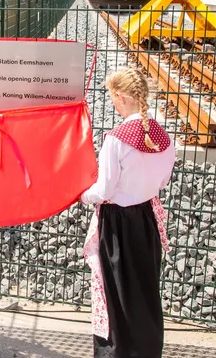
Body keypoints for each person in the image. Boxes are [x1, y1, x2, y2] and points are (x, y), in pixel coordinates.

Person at [81, 67, 175, 358]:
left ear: (121, 97)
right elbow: (162, 181)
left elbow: (105, 190)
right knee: (145, 289)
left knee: (116, 293)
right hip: (146, 219)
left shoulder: (117, 138)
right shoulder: (163, 135)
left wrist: (84, 195)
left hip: (117, 224)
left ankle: (116, 352)